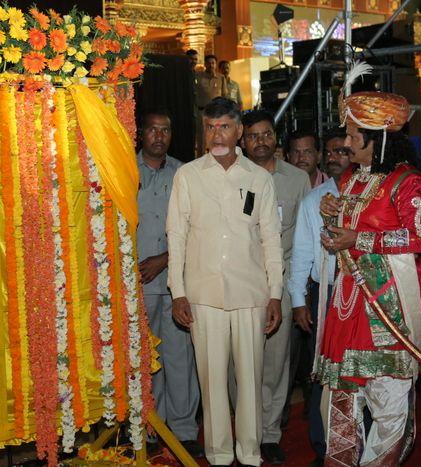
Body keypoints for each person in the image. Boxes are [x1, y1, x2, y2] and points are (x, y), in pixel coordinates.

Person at [316, 83, 421, 466]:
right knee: (341, 402)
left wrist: (359, 237)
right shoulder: (352, 179)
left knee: (388, 406)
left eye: (354, 136)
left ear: (377, 139)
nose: (347, 144)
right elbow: (340, 239)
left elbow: (419, 238)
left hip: (387, 304)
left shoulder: (408, 182)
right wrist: (330, 222)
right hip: (349, 303)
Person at [167, 97, 283, 467]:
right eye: (210, 127)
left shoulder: (259, 178)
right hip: (202, 295)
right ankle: (218, 456)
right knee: (212, 382)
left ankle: (250, 455)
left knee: (249, 380)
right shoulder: (187, 176)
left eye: (224, 127)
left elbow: (271, 241)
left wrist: (276, 295)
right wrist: (179, 292)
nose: (217, 134)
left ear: (238, 132)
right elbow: (176, 237)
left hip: (251, 294)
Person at [239, 109, 310, 464]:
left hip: (278, 282)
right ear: (243, 139)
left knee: (276, 363)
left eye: (267, 134)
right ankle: (246, 432)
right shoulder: (233, 177)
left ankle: (269, 435)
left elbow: (304, 239)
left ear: (276, 138)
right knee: (242, 363)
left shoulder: (297, 179)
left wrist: (296, 292)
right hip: (241, 280)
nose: (261, 141)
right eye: (253, 135)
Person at [136, 109, 204, 457]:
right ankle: (148, 427)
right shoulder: (124, 171)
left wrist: (163, 260)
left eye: (165, 130)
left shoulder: (186, 173)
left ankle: (183, 430)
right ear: (141, 132)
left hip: (178, 282)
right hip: (139, 284)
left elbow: (196, 229)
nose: (159, 136)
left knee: (180, 359)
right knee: (146, 359)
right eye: (153, 130)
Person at [288, 130, 350, 467]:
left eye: (342, 150)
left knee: (357, 372)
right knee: (320, 372)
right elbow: (301, 255)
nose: (335, 157)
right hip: (324, 293)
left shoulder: (372, 197)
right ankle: (322, 446)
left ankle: (360, 443)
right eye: (330, 152)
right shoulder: (315, 200)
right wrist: (299, 301)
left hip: (362, 292)